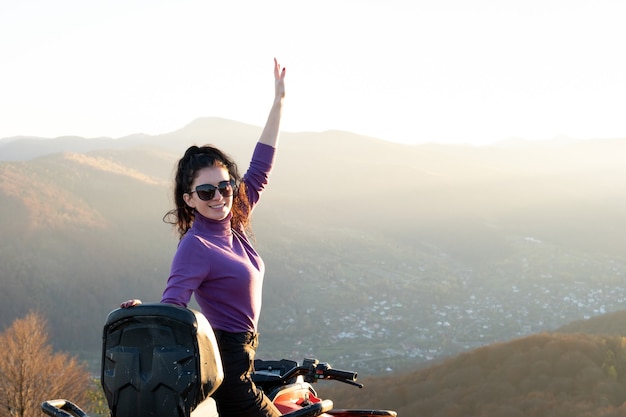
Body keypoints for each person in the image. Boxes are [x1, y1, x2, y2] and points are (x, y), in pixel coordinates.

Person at [121, 58, 286, 417]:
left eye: (225, 186)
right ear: (189, 199)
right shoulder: (196, 245)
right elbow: (173, 307)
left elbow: (260, 167)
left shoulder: (235, 219)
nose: (219, 197)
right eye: (207, 191)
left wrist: (278, 104)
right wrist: (144, 315)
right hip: (228, 372)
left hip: (244, 359)